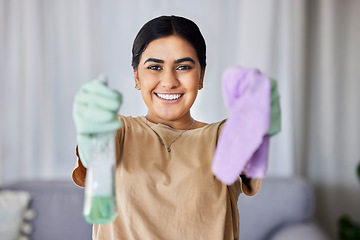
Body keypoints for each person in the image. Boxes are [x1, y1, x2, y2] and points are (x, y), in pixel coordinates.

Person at [72, 15, 279, 240]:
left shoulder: (221, 138)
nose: (169, 81)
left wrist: (257, 120)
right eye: (154, 67)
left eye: (183, 66)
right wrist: (89, 131)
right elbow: (92, 154)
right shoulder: (118, 131)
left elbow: (244, 150)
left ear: (201, 75)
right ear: (136, 76)